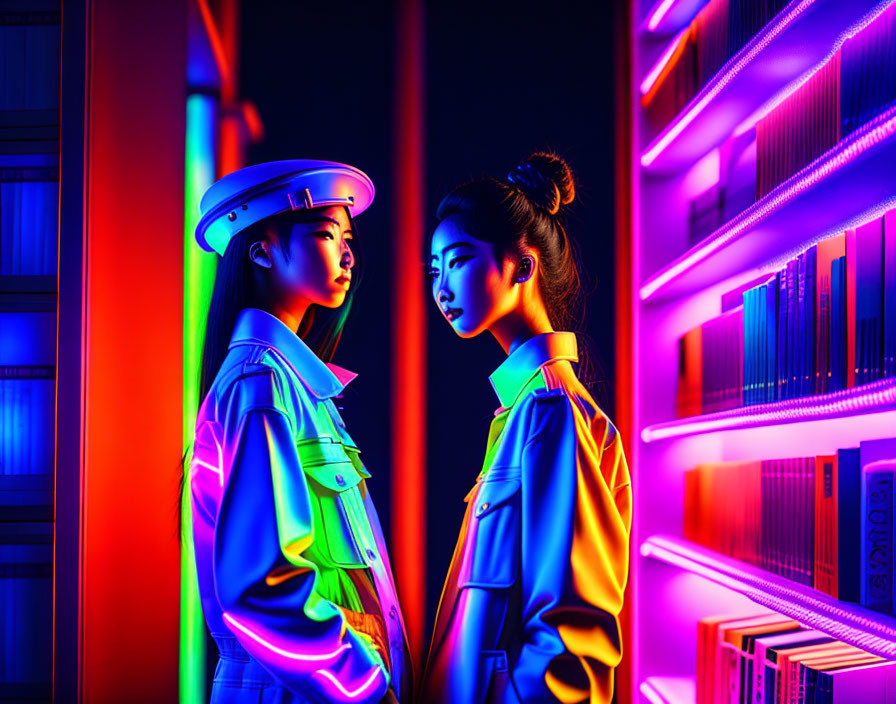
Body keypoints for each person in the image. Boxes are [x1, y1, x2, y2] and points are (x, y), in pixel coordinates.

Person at [190, 160, 410, 703]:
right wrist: (365, 686)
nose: (347, 254)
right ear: (262, 251)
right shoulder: (259, 384)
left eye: (348, 238)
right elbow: (263, 587)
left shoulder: (294, 384)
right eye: (325, 235)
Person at [421, 153, 632, 704]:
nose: (442, 288)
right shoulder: (522, 411)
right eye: (435, 269)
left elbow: (571, 643)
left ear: (522, 266)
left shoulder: (549, 411)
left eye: (460, 260)